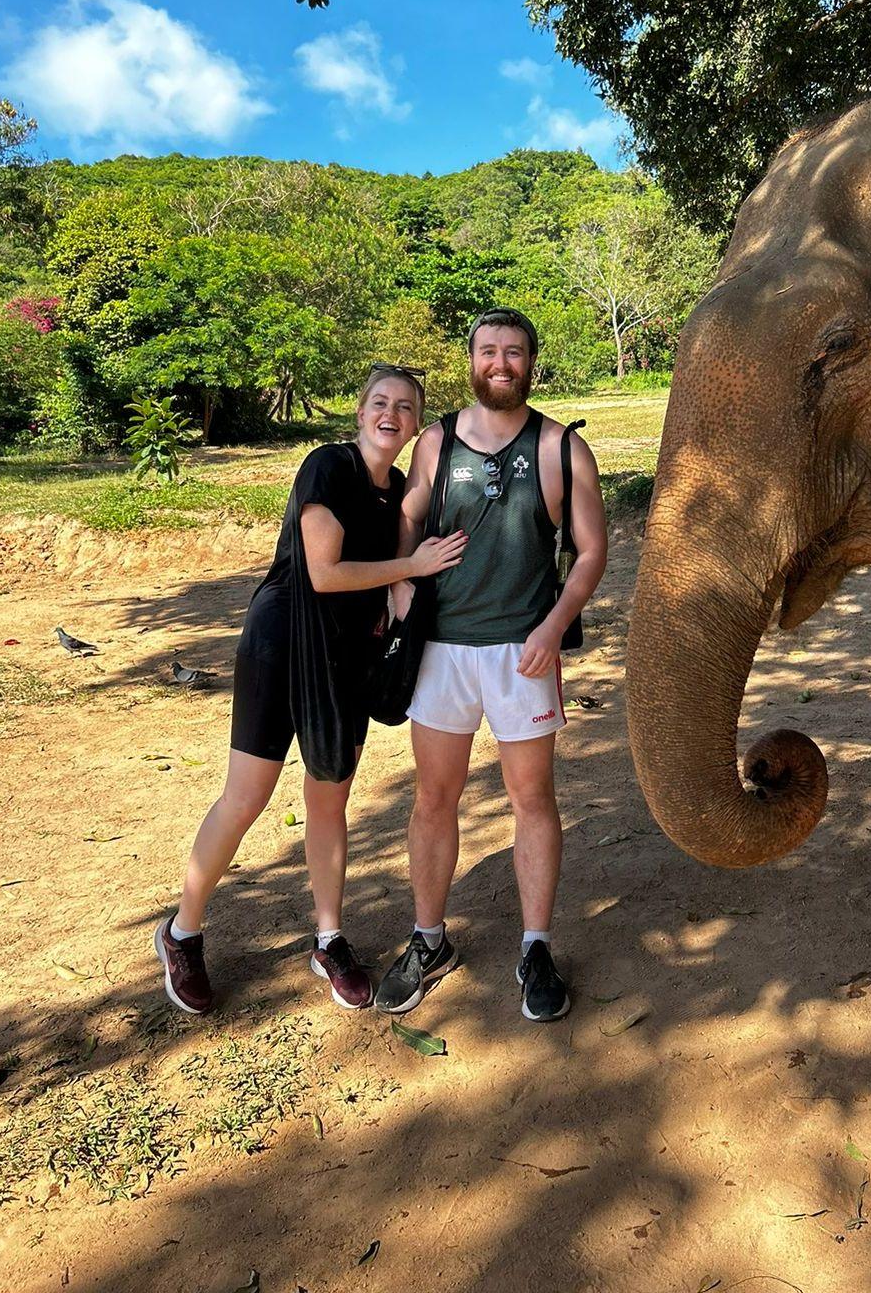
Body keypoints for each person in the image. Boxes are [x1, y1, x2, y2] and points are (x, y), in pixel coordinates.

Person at [154, 366, 468, 1015]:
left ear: (415, 424)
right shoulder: (327, 466)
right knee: (246, 797)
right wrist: (410, 567)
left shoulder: (403, 494)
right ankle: (182, 931)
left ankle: (329, 938)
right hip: (283, 643)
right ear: (360, 413)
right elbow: (323, 573)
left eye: (405, 407)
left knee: (330, 799)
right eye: (380, 402)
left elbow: (410, 574)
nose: (392, 413)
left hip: (343, 662)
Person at [374, 308, 608, 1022]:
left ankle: (536, 945)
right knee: (433, 798)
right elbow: (409, 517)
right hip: (442, 649)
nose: (500, 363)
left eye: (514, 352)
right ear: (469, 360)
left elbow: (591, 551)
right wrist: (399, 575)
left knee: (531, 799)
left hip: (521, 650)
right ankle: (428, 938)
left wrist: (555, 624)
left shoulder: (562, 447)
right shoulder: (438, 442)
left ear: (530, 362)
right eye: (487, 351)